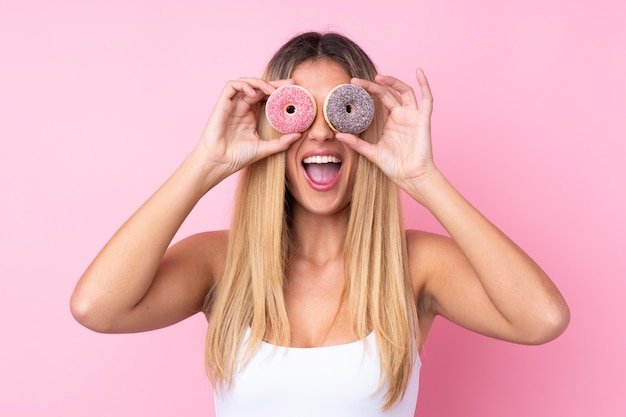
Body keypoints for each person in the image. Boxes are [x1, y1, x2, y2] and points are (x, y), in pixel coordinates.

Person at [70, 32, 570, 416]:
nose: (323, 133)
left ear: (366, 124)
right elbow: (97, 307)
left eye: (344, 110)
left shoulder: (415, 266)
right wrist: (206, 163)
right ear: (272, 125)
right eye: (297, 112)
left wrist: (423, 177)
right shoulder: (221, 264)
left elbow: (542, 319)